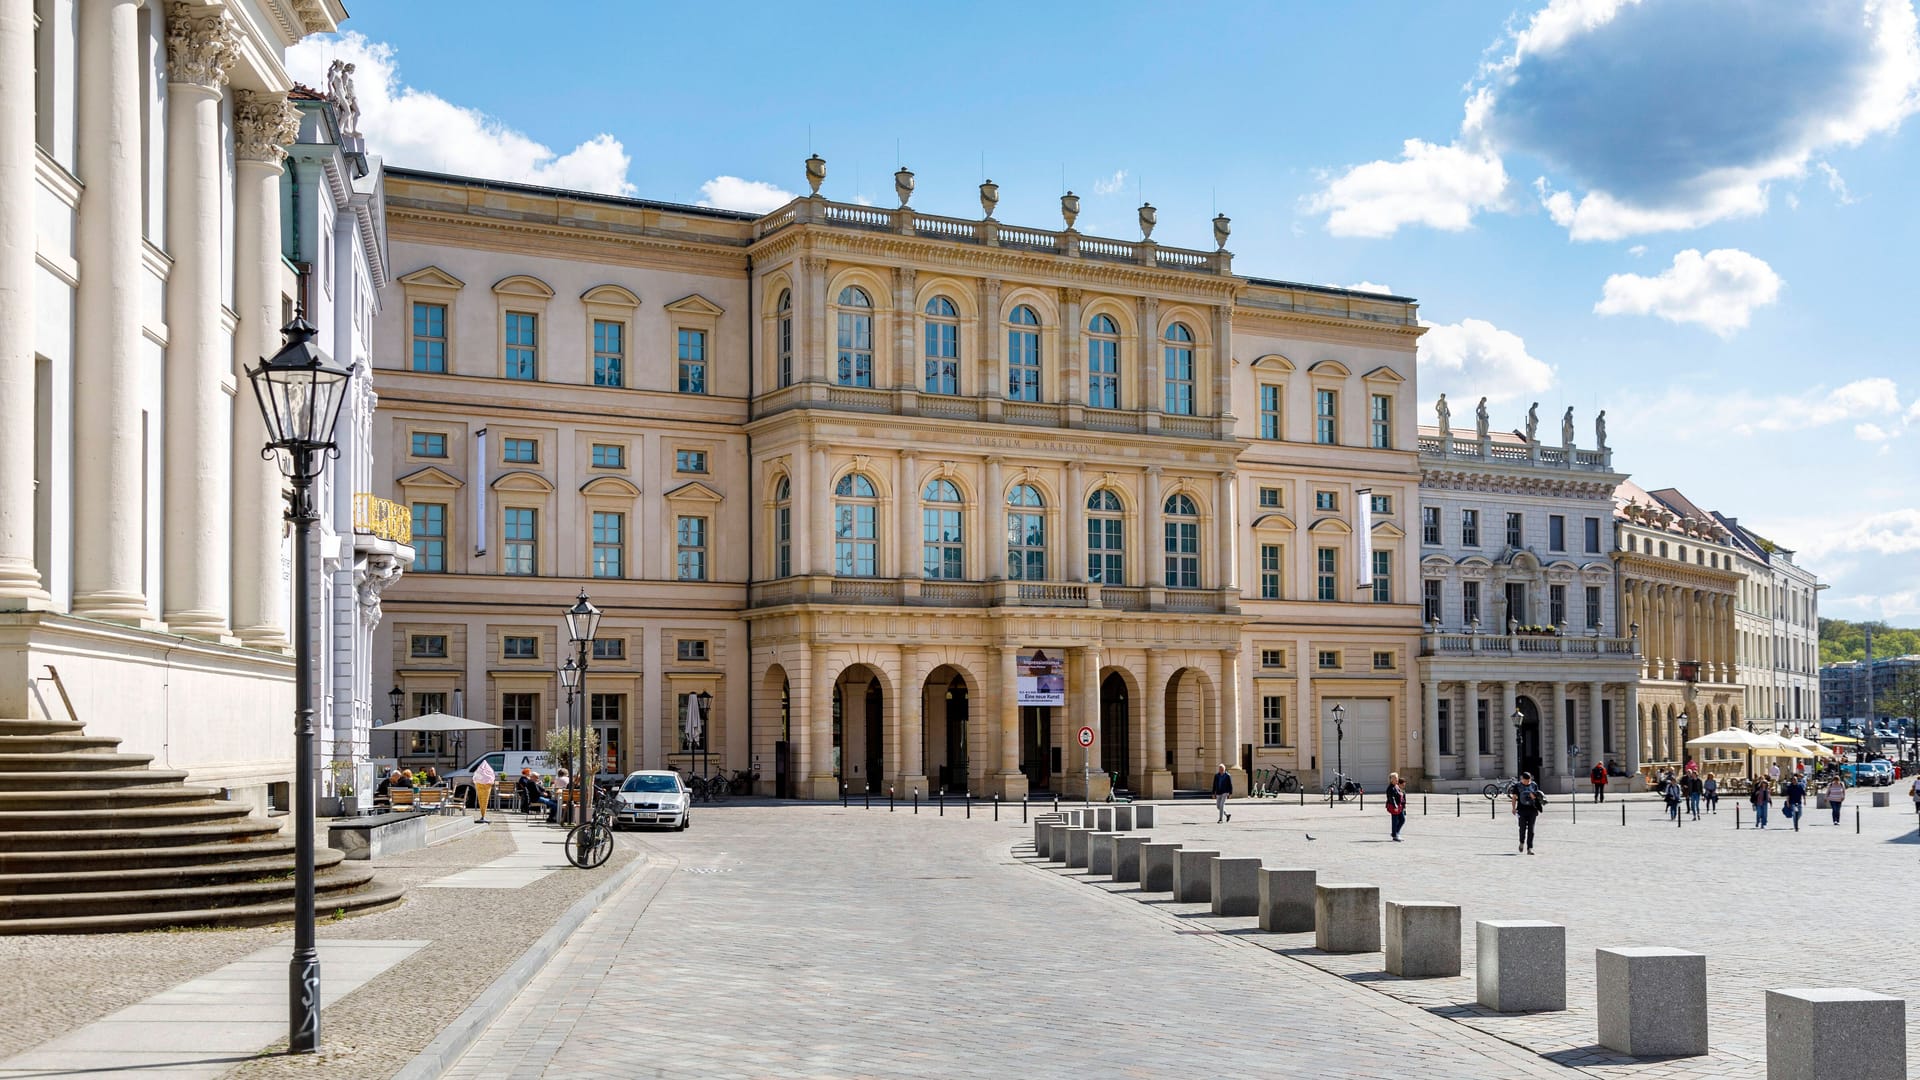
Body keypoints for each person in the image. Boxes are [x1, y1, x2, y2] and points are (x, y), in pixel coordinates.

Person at [1509, 771, 1542, 854]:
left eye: (1528, 780)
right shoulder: (1517, 786)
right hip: (1521, 810)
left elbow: (1537, 797)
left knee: (1531, 830)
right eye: (1525, 780)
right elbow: (1514, 798)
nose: (1527, 782)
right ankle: (1521, 842)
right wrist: (1513, 808)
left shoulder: (1534, 785)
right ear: (1522, 779)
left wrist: (1534, 798)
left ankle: (1529, 848)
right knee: (1522, 828)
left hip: (1532, 810)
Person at [472, 757, 496, 824]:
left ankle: (483, 816)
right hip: (485, 782)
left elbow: (475, 777)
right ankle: (483, 816)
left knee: (482, 800)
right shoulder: (490, 771)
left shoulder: (478, 771)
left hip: (479, 781)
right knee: (483, 800)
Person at [1385, 772, 1407, 841]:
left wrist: (1403, 805)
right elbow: (1392, 798)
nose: (1397, 780)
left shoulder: (1396, 786)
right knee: (1395, 821)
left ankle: (1395, 833)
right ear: (1391, 780)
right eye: (1395, 778)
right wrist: (1395, 807)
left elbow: (1400, 794)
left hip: (1399, 806)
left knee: (1402, 819)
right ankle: (1395, 835)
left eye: (1397, 778)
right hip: (1394, 807)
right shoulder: (1390, 788)